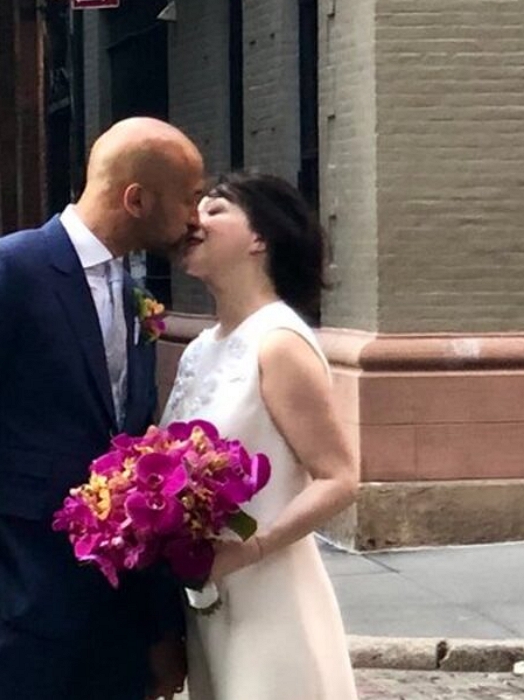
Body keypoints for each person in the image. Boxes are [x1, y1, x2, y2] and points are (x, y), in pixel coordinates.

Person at [0, 117, 206, 700]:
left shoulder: (131, 289)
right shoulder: (3, 272)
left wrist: (157, 625)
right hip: (14, 604)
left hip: (112, 616)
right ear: (137, 198)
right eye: (190, 199)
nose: (196, 217)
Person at [161, 171, 360, 700]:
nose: (194, 218)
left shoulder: (278, 343)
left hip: (271, 599)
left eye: (216, 208)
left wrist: (251, 550)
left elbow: (338, 477)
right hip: (211, 602)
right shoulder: (202, 348)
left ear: (260, 239)